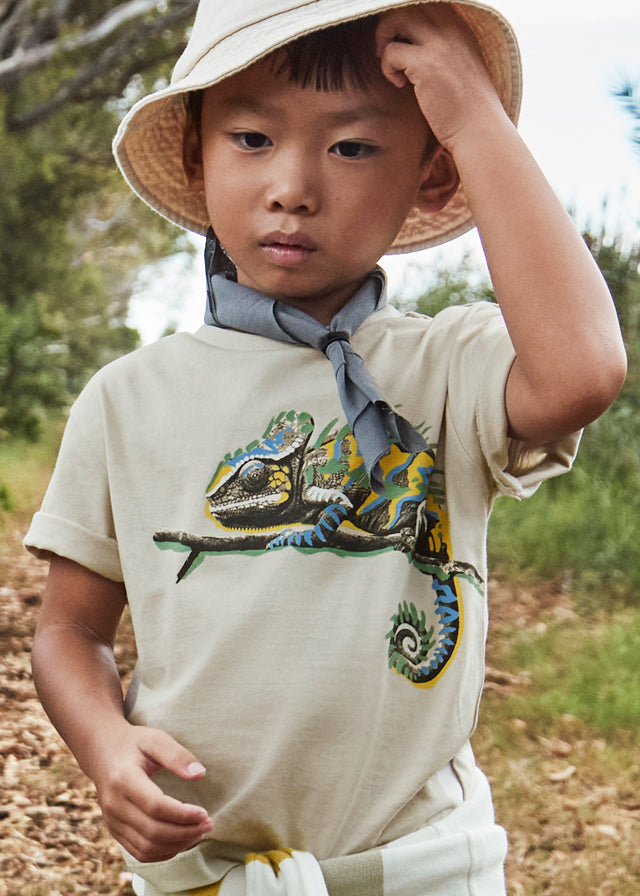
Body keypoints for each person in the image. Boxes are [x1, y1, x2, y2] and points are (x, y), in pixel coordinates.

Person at [24, 1, 626, 895]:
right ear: (196, 155)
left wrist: (472, 116)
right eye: (252, 139)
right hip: (207, 872)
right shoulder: (127, 399)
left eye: (352, 146)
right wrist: (106, 745)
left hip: (423, 866)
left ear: (433, 175)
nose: (293, 187)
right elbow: (70, 631)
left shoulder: (446, 366)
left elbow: (584, 370)